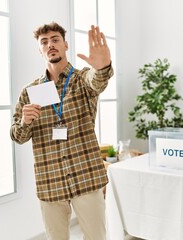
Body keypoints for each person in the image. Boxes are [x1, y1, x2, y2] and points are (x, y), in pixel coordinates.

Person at [10, 22, 113, 240]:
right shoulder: (30, 92)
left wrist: (103, 67)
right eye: (44, 42)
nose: (50, 45)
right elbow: (17, 136)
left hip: (86, 177)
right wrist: (24, 122)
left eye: (55, 39)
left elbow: (97, 81)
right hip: (50, 180)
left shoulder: (82, 80)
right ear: (40, 50)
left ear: (65, 45)